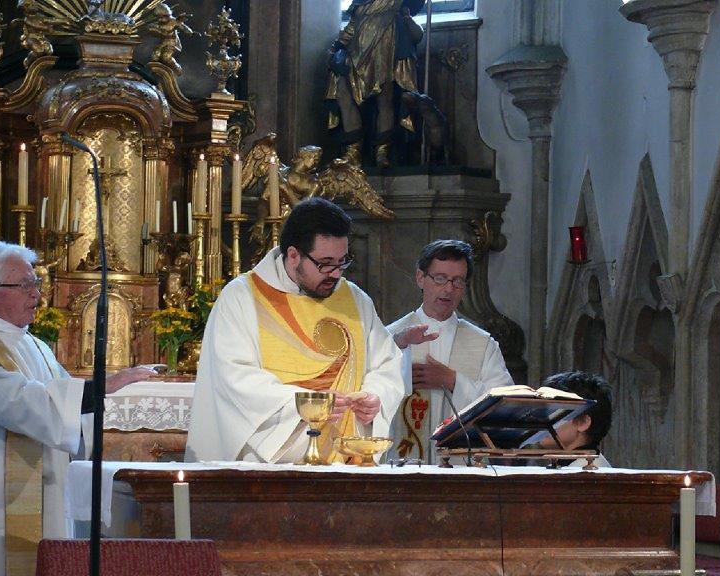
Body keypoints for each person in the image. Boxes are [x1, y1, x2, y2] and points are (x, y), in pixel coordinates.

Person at [0, 241, 155, 576]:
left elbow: (66, 409)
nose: (36, 295)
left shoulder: (37, 346)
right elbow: (18, 402)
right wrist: (101, 386)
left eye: (35, 283)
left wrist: (90, 401)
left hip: (46, 495)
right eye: (24, 285)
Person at [187, 197, 405, 464]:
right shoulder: (242, 298)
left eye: (342, 261)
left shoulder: (355, 300)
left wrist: (375, 396)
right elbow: (234, 378)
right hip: (273, 463)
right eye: (325, 263)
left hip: (346, 460)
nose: (336, 274)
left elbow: (387, 364)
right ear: (293, 255)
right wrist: (309, 404)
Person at [388, 240, 515, 463]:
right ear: (420, 277)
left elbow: (504, 407)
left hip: (463, 471)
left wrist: (454, 381)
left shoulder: (483, 344)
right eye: (440, 278)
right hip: (403, 467)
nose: (449, 289)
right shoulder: (390, 337)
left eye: (457, 281)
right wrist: (397, 350)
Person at [327, 0, 425, 167]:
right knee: (343, 92)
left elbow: (416, 29)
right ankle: (353, 151)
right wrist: (337, 46)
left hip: (385, 47)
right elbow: (352, 26)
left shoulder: (396, 5)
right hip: (356, 52)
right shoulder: (360, 3)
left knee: (384, 97)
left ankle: (382, 151)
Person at [535, 371, 613, 468]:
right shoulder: (571, 465)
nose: (539, 418)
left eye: (551, 410)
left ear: (583, 422)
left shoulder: (591, 472)